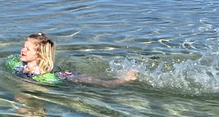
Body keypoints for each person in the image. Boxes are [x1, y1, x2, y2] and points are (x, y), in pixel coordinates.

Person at [8, 32, 136, 87]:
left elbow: (44, 85)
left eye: (27, 49)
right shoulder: (18, 65)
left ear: (40, 55)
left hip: (67, 76)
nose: (22, 50)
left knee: (103, 83)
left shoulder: (44, 76)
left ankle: (126, 78)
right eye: (23, 47)